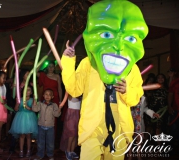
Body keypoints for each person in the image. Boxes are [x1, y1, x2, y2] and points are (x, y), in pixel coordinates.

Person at [61, 0, 148, 159]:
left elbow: (136, 97)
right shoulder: (88, 63)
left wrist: (127, 91)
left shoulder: (132, 68)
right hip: (92, 124)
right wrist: (68, 62)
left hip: (119, 125)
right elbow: (74, 89)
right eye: (107, 34)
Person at [32, 89, 62, 160]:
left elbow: (56, 114)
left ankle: (50, 154)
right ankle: (40, 154)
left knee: (50, 143)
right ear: (43, 95)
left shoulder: (54, 105)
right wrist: (34, 100)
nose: (47, 96)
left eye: (49, 94)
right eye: (46, 94)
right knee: (40, 142)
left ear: (52, 97)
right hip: (41, 126)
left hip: (50, 127)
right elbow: (35, 109)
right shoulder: (40, 103)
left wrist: (59, 108)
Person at [9, 85, 37, 158]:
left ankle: (28, 150)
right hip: (20, 118)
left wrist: (32, 102)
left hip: (30, 118)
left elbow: (35, 109)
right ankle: (21, 150)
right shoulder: (20, 99)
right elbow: (15, 109)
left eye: (29, 90)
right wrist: (17, 103)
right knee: (21, 135)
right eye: (26, 90)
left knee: (28, 136)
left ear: (31, 92)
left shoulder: (32, 99)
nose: (27, 91)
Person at [60, 95, 81, 160]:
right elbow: (67, 99)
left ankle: (72, 151)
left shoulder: (81, 89)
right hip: (71, 113)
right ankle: (68, 150)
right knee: (71, 133)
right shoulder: (70, 90)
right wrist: (59, 108)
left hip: (79, 113)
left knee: (75, 134)